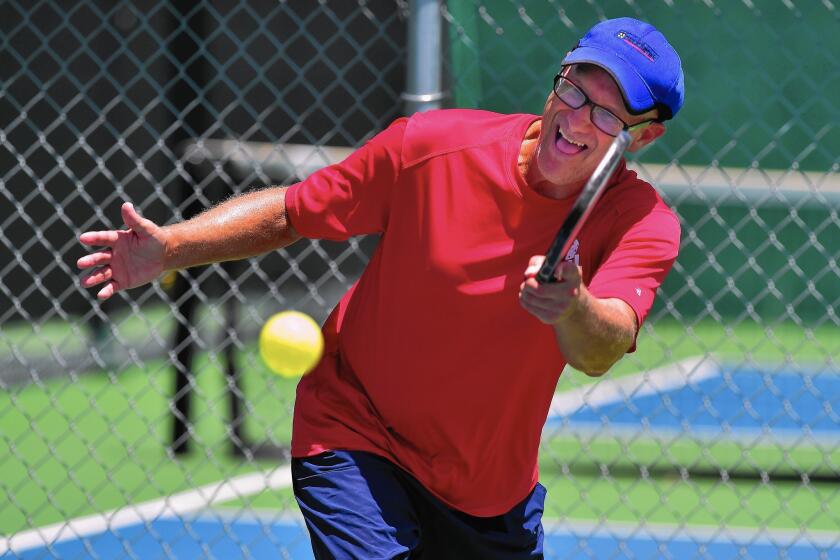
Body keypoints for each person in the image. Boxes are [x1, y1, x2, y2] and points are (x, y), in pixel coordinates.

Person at [78, 16, 684, 560]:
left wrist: (571, 305)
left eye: (607, 114)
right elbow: (294, 211)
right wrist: (171, 248)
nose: (576, 118)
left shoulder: (642, 224)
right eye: (574, 88)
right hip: (356, 426)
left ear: (644, 136)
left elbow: (601, 348)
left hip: (488, 490)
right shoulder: (432, 148)